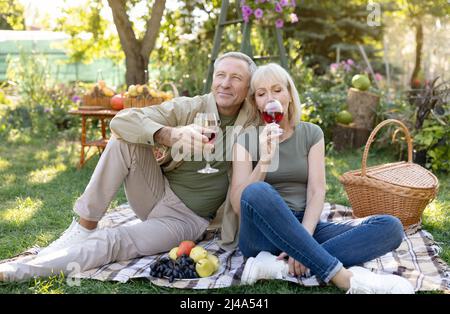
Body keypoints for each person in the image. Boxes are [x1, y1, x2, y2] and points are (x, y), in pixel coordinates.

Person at [0, 51, 256, 282]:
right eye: (220, 75)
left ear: (248, 87)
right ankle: (84, 227)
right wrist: (168, 134)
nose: (225, 83)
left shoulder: (254, 123)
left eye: (235, 78)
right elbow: (123, 120)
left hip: (184, 220)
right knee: (124, 140)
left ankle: (20, 271)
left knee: (115, 239)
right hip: (155, 193)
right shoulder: (190, 107)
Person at [229, 63, 415, 294]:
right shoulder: (245, 140)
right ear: (255, 102)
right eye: (261, 93)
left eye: (277, 90)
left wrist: (303, 237)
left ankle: (282, 266)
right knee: (257, 191)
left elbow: (317, 191)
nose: (270, 98)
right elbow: (239, 204)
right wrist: (265, 160)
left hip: (304, 226)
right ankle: (340, 276)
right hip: (261, 235)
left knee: (390, 227)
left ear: (289, 94)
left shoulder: (311, 133)